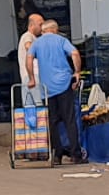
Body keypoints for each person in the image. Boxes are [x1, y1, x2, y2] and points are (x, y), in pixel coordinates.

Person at [27, 20, 86, 165]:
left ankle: (57, 155)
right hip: (64, 84)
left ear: (44, 30)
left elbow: (28, 59)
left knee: (52, 123)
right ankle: (75, 155)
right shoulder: (61, 40)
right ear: (54, 29)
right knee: (70, 121)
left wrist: (31, 79)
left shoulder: (37, 43)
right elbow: (75, 53)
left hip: (46, 89)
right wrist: (77, 72)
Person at [16, 13, 46, 107]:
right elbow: (28, 46)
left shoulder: (31, 37)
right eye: (40, 24)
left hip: (27, 77)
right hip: (33, 76)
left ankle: (30, 122)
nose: (42, 27)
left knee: (28, 106)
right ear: (32, 25)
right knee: (39, 105)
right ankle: (41, 122)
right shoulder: (28, 36)